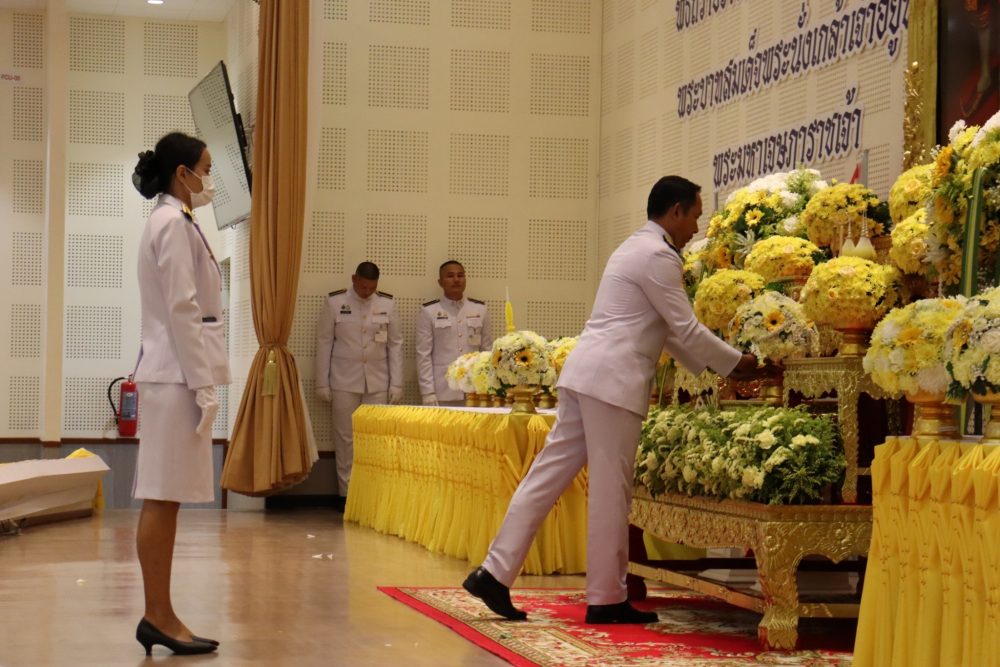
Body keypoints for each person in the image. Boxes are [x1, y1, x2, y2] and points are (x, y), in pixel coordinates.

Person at [463, 176, 761, 624]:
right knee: (610, 492)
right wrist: (739, 364)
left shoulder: (633, 247)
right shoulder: (659, 255)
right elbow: (684, 327)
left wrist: (718, 366)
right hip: (612, 383)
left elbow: (665, 329)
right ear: (675, 211)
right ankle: (606, 598)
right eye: (695, 216)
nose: (696, 228)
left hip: (586, 374)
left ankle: (493, 572)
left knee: (545, 478)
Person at [130, 132, 230, 655]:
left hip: (177, 373)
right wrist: (201, 381)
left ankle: (161, 614)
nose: (210, 179)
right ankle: (157, 616)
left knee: (165, 498)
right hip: (174, 376)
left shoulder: (180, 220)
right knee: (162, 495)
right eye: (205, 169)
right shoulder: (170, 223)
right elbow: (183, 308)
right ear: (182, 174)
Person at [315, 261, 402, 511]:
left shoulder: (387, 304)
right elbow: (324, 342)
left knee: (375, 438)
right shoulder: (335, 303)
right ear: (354, 279)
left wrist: (396, 383)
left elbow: (395, 344)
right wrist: (322, 382)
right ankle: (347, 495)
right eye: (363, 287)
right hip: (343, 381)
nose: (367, 292)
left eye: (372, 288)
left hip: (377, 381)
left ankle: (373, 495)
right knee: (345, 438)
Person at [415, 261, 493, 406]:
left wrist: (488, 387)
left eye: (460, 275)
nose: (456, 279)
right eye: (450, 276)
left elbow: (487, 351)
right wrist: (427, 392)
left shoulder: (479, 309)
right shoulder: (429, 311)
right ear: (440, 282)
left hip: (475, 389)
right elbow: (423, 355)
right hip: (442, 390)